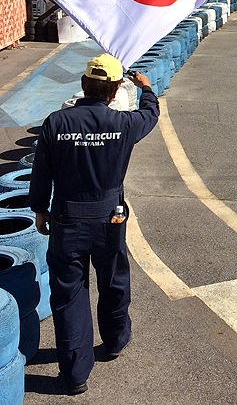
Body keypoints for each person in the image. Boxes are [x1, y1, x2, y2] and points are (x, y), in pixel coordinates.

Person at [29, 54, 160, 396]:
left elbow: (41, 171)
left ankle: (74, 375)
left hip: (67, 219)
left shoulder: (55, 124)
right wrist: (146, 88)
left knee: (70, 295)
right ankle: (115, 340)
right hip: (110, 218)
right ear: (116, 89)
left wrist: (39, 210)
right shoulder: (125, 123)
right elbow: (151, 114)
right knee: (114, 281)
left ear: (83, 84)